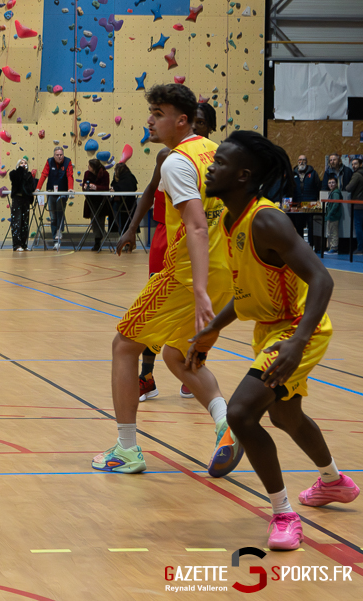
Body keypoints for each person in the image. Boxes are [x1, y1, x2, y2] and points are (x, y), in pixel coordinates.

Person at [190, 131, 358, 551]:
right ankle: (333, 482)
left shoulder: (265, 219)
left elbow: (322, 278)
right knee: (286, 417)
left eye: (221, 163)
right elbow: (247, 291)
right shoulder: (230, 220)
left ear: (243, 175)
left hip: (299, 328)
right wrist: (213, 329)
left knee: (242, 413)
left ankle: (283, 514)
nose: (211, 167)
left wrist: (298, 341)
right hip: (270, 330)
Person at [93, 84, 240, 476]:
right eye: (151, 112)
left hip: (187, 274)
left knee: (124, 345)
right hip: (228, 270)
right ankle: (228, 424)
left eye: (158, 113)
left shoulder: (177, 161)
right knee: (177, 355)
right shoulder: (217, 152)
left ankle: (126, 450)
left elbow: (194, 226)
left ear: (181, 120)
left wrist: (199, 288)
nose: (150, 120)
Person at [117, 102, 216, 402]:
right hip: (167, 236)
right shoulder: (168, 157)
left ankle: (192, 369)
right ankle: (146, 375)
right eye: (193, 121)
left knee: (199, 316)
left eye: (201, 123)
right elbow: (149, 192)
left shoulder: (212, 156)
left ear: (207, 128)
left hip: (202, 239)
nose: (196, 127)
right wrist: (133, 227)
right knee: (154, 311)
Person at [36, 146, 74, 249]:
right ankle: (55, 241)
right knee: (53, 217)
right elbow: (44, 174)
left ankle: (59, 232)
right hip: (51, 192)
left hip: (63, 192)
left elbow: (70, 176)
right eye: (57, 155)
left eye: (61, 155)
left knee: (60, 211)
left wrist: (70, 188)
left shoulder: (68, 162)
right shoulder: (49, 161)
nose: (59, 157)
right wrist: (38, 188)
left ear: (63, 155)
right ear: (54, 155)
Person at [290, 155, 321, 247]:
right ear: (297, 161)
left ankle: (311, 245)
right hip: (297, 204)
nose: (302, 162)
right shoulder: (292, 174)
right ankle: (300, 246)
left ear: (306, 161)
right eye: (300, 160)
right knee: (299, 226)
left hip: (311, 204)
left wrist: (317, 199)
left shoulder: (313, 173)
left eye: (304, 160)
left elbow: (318, 187)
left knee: (311, 226)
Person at [8, 157, 37, 251]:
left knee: (25, 222)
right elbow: (16, 180)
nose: (23, 164)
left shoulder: (28, 175)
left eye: (24, 163)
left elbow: (31, 187)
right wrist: (20, 169)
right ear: (17, 165)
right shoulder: (14, 173)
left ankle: (24, 244)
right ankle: (16, 245)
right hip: (17, 199)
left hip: (25, 200)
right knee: (17, 221)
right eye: (21, 163)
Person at [82, 158, 111, 252]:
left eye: (89, 166)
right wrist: (85, 187)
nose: (88, 167)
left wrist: (96, 187)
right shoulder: (87, 173)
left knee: (101, 220)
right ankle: (97, 241)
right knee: (94, 221)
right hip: (91, 200)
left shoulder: (105, 174)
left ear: (94, 167)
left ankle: (98, 241)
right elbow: (83, 185)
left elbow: (106, 187)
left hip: (102, 201)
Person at [110, 161, 138, 236]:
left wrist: (115, 188)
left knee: (123, 222)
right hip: (125, 203)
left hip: (126, 204)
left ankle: (122, 234)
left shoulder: (128, 178)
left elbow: (126, 187)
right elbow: (114, 185)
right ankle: (121, 234)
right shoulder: (121, 177)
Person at [324, 177, 342, 255]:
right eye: (329, 183)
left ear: (336, 183)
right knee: (330, 232)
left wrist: (330, 213)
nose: (331, 184)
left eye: (333, 182)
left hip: (333, 216)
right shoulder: (332, 192)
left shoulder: (335, 193)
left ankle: (334, 248)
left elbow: (336, 204)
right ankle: (331, 247)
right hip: (331, 215)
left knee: (333, 232)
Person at [348, 157, 363, 254]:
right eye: (352, 164)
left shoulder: (357, 175)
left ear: (360, 164)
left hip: (358, 204)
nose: (353, 166)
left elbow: (349, 187)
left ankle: (360, 248)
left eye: (355, 164)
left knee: (358, 226)